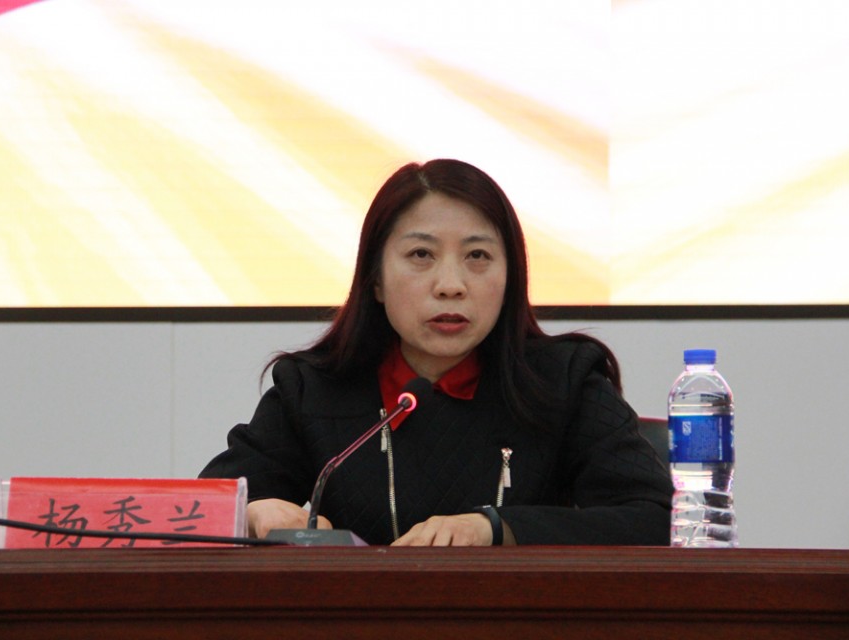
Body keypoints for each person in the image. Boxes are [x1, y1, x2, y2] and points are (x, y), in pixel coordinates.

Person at [200, 159, 673, 546]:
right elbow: (202, 507)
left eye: (477, 256)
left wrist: (494, 528)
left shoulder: (564, 381)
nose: (450, 285)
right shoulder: (313, 389)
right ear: (375, 279)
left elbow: (656, 519)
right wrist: (255, 510)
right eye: (421, 255)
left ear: (511, 277)